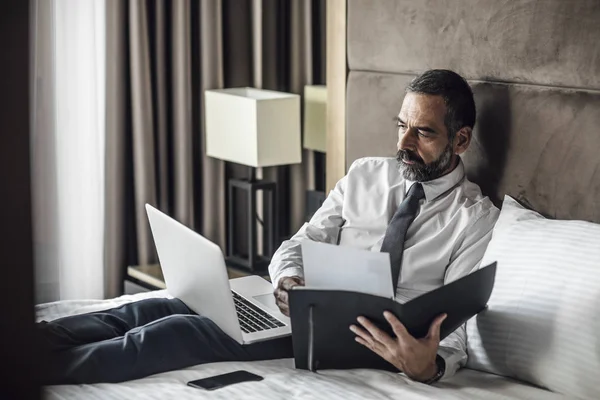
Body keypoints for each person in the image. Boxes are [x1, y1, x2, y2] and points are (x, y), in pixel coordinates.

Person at [39, 69, 498, 385]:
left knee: (174, 333)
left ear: (460, 139)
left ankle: (26, 372)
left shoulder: (472, 219)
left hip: (355, 340)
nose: (403, 143)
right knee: (147, 310)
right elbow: (301, 242)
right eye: (401, 126)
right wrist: (286, 279)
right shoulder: (365, 174)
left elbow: (456, 328)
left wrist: (430, 368)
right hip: (297, 306)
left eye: (423, 132)